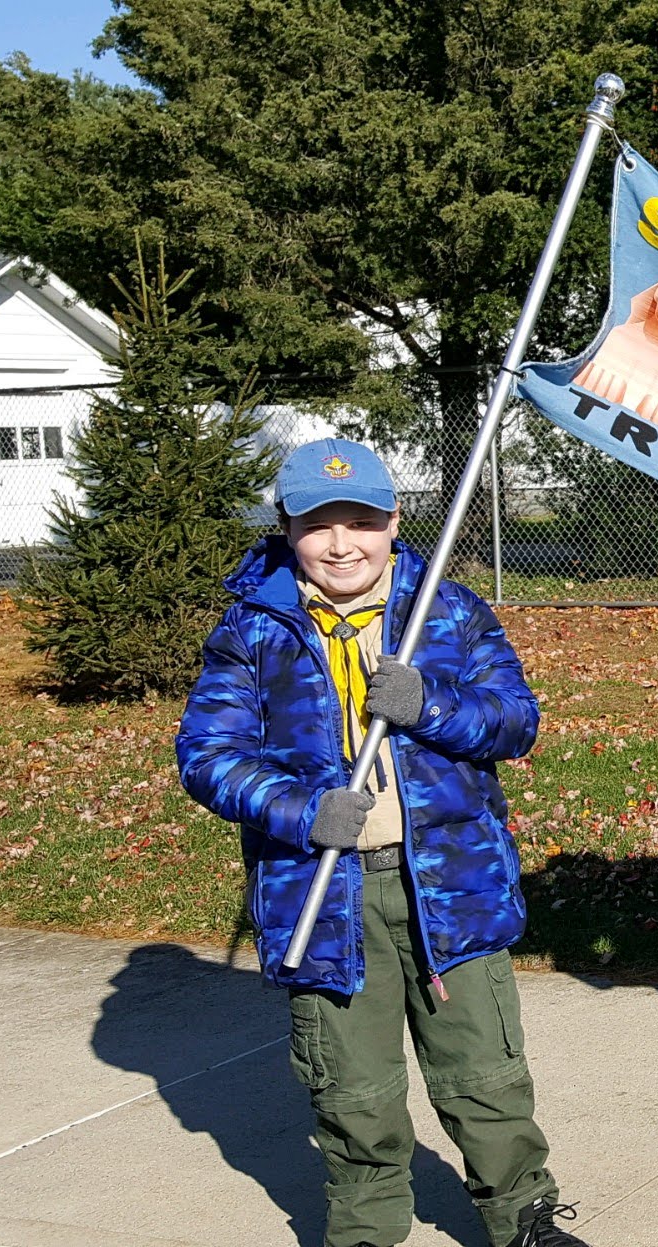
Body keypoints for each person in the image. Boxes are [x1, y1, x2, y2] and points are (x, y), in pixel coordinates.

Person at [176, 439, 586, 1247]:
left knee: (484, 1072)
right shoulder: (255, 628)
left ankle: (522, 1216)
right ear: (285, 526)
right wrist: (297, 810)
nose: (341, 543)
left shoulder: (449, 610)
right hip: (322, 890)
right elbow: (208, 755)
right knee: (351, 1087)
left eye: (362, 521)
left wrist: (431, 702)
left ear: (395, 521)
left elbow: (514, 721)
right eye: (319, 524)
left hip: (451, 886)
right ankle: (364, 1227)